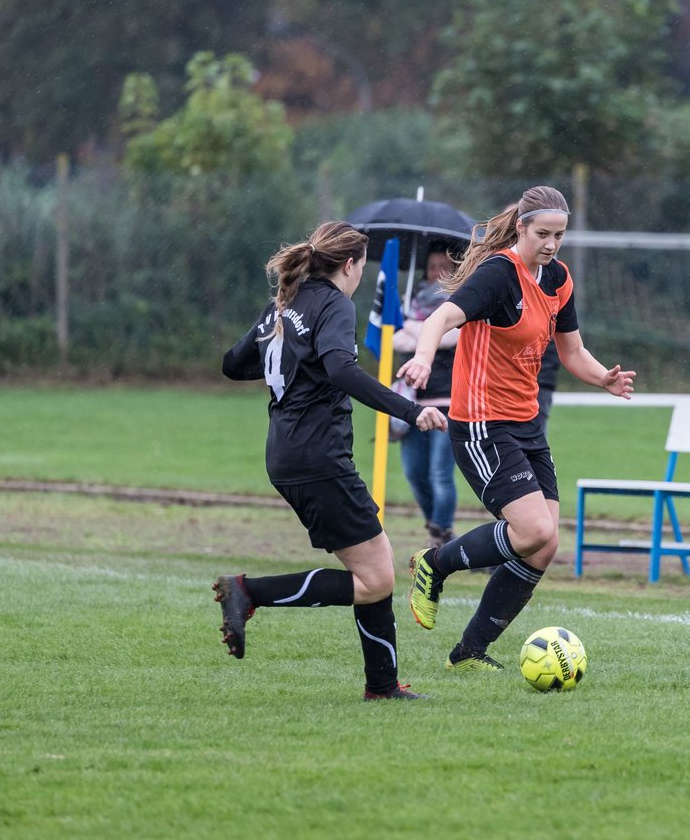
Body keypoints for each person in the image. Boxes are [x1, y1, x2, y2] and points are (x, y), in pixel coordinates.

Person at [396, 185, 635, 671]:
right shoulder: (499, 274)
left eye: (559, 235)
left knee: (545, 545)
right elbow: (441, 317)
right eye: (543, 234)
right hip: (481, 423)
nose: (551, 244)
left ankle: (469, 652)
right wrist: (421, 359)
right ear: (522, 227)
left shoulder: (558, 278)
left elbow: (571, 351)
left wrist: (602, 378)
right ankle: (433, 564)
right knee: (531, 530)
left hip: (524, 425)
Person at [213, 221, 447, 700]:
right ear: (350, 264)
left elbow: (233, 364)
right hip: (318, 456)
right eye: (364, 266)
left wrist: (285, 347)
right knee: (376, 578)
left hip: (286, 454)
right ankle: (249, 591)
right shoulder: (336, 303)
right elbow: (341, 369)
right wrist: (411, 409)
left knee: (375, 569)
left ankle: (382, 686)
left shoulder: (286, 300)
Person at [394, 245, 461, 550]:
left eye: (445, 267)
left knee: (439, 473)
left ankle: (441, 531)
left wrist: (414, 332)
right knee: (414, 472)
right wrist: (423, 332)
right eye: (433, 266)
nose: (438, 273)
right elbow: (392, 338)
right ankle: (439, 529)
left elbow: (451, 336)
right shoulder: (412, 300)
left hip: (449, 402)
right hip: (410, 405)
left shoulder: (464, 304)